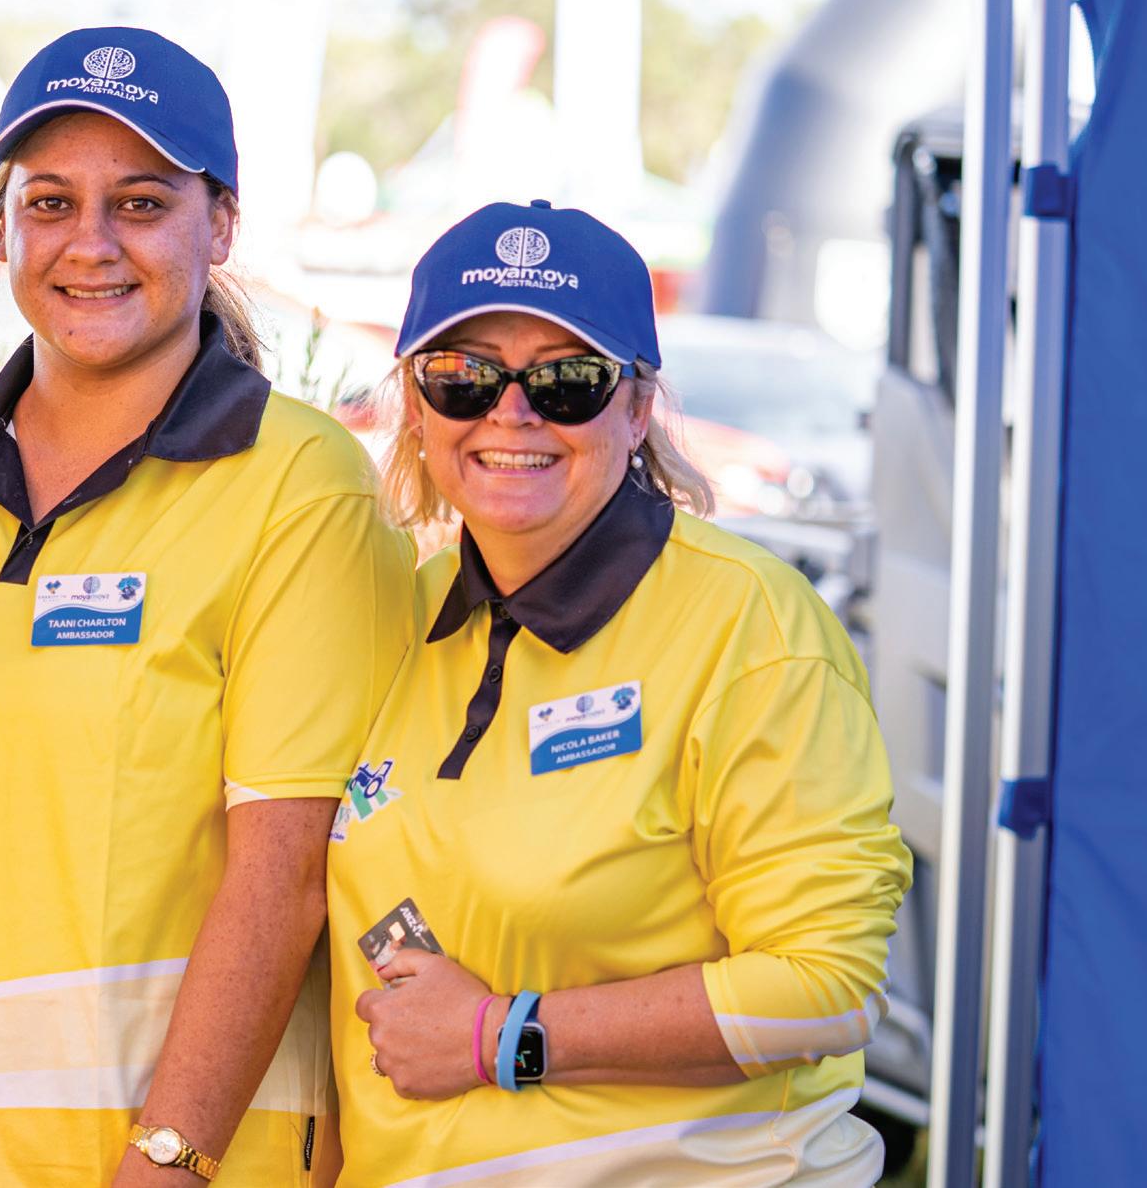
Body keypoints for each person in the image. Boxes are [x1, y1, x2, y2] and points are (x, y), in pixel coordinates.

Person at [0, 28, 414, 1186]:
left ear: (220, 223)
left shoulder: (298, 483)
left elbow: (289, 873)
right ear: (1, 228)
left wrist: (169, 1154)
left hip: (172, 1163)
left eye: (140, 203)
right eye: (49, 202)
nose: (89, 243)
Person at [327, 200, 913, 1184]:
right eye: (464, 375)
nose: (511, 412)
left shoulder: (751, 629)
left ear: (637, 409)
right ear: (417, 406)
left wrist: (501, 1035)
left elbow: (827, 988)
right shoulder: (402, 615)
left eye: (567, 381)